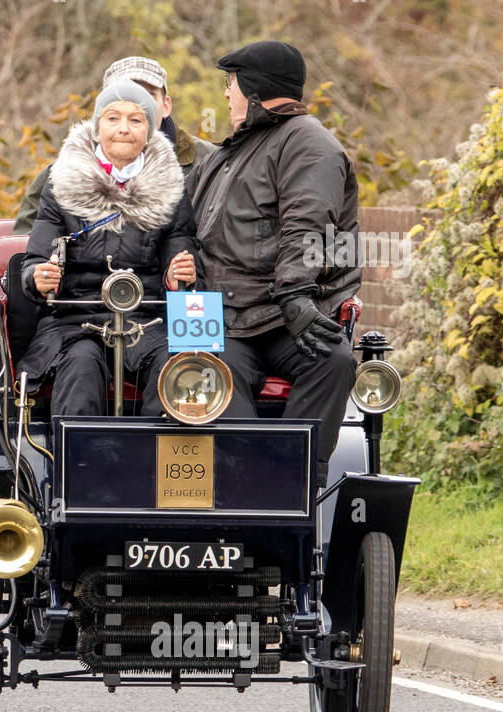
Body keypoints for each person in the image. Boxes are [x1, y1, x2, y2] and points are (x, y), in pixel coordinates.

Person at [185, 40, 360, 488]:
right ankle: (247, 487)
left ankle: (294, 485)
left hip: (283, 316)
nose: (226, 95)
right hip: (218, 317)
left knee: (335, 361)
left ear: (255, 89)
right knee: (207, 375)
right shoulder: (230, 152)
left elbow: (307, 224)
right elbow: (185, 228)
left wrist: (296, 297)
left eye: (231, 83)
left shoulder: (308, 143)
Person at [17, 78, 200, 418]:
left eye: (136, 119)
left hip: (147, 320)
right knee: (81, 366)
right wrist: (37, 276)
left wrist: (180, 277)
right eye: (113, 118)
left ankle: (157, 464)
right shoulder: (61, 182)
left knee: (174, 369)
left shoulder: (172, 186)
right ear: (97, 127)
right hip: (75, 320)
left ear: (150, 130)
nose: (123, 128)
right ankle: (80, 466)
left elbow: (183, 256)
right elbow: (36, 260)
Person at [14, 56, 216, 235]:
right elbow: (29, 240)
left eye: (149, 95)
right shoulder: (69, 168)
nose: (138, 104)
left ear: (166, 106)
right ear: (102, 111)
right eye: (125, 95)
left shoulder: (208, 161)